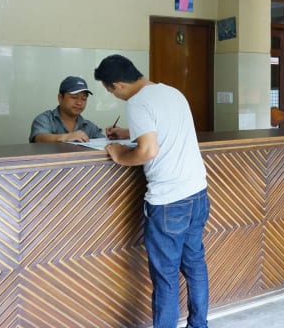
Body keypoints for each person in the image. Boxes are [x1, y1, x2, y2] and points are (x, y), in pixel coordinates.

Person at [94, 54, 209, 328]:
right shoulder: (172, 92)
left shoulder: (137, 102)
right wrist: (128, 132)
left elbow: (148, 150)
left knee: (166, 276)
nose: (114, 95)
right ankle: (199, 325)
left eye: (110, 90)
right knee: (195, 265)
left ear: (118, 84)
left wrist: (119, 155)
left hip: (169, 202)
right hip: (198, 193)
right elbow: (165, 128)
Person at [29, 76, 104, 142]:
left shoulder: (89, 126)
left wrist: (111, 138)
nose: (79, 103)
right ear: (60, 98)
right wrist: (66, 137)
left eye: (84, 99)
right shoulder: (45, 119)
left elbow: (104, 143)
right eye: (74, 97)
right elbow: (39, 139)